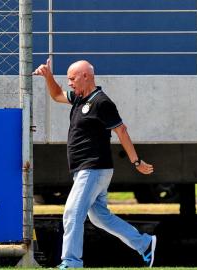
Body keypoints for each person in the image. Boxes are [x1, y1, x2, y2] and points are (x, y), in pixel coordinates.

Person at [33, 59, 156, 269]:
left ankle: (71, 262)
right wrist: (48, 77)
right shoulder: (80, 98)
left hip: (93, 169)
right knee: (100, 218)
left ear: (86, 76)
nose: (69, 83)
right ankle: (144, 244)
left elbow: (122, 131)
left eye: (72, 78)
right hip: (87, 170)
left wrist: (136, 161)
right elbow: (56, 95)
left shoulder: (101, 102)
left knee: (72, 213)